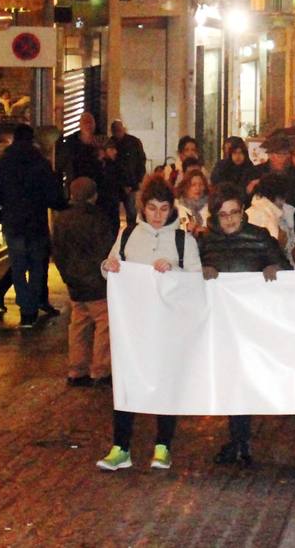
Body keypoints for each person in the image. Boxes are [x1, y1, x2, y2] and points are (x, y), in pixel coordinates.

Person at [95, 178, 191, 472]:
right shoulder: (128, 235)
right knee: (126, 381)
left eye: (163, 209)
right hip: (133, 325)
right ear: (143, 208)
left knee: (165, 383)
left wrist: (173, 271)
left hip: (167, 326)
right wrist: (107, 267)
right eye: (152, 208)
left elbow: (195, 280)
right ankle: (120, 446)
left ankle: (163, 445)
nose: (158, 215)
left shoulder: (183, 240)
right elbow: (111, 267)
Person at [200, 187, 288, 467]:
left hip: (252, 322)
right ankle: (239, 438)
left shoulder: (260, 237)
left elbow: (286, 267)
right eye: (223, 214)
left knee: (244, 381)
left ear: (243, 212)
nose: (229, 220)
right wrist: (201, 272)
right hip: (221, 323)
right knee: (230, 381)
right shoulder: (205, 242)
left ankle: (241, 438)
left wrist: (275, 269)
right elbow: (188, 272)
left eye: (234, 213)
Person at [0, 124, 66, 327]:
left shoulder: (4, 162)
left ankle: (25, 308)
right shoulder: (40, 162)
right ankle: (31, 308)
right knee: (37, 266)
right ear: (32, 139)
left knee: (18, 266)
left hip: (13, 222)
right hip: (36, 223)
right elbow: (53, 195)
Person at [51, 177, 117, 388]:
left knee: (78, 324)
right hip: (96, 283)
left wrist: (67, 276)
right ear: (93, 195)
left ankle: (76, 370)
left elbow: (58, 252)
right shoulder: (97, 219)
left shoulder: (61, 219)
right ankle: (101, 370)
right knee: (103, 325)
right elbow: (105, 250)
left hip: (75, 284)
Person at [56, 112, 106, 188]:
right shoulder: (71, 143)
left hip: (97, 185)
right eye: (85, 122)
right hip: (76, 185)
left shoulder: (103, 141)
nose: (88, 125)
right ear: (80, 125)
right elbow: (61, 163)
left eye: (90, 122)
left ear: (94, 124)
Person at [109, 120, 148, 202]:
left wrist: (138, 180)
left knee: (131, 210)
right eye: (115, 130)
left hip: (131, 182)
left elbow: (141, 161)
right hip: (116, 184)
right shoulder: (110, 143)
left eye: (119, 129)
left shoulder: (134, 142)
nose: (117, 132)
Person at [175, 168, 211, 233]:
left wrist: (206, 232)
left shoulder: (211, 207)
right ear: (185, 187)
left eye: (201, 184)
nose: (198, 188)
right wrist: (187, 230)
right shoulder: (177, 208)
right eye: (193, 185)